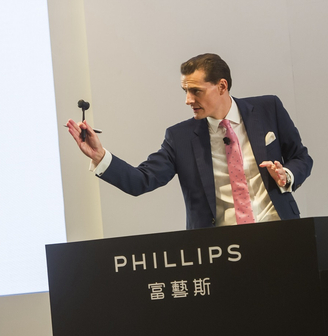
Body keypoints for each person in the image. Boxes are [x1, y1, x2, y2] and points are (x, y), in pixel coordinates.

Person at [66, 53, 312, 229]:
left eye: (196, 91)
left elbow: (300, 157)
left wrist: (287, 175)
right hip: (219, 251)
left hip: (278, 231)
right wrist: (100, 156)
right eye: (185, 91)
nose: (188, 100)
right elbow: (141, 180)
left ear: (222, 86)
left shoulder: (268, 108)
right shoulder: (180, 137)